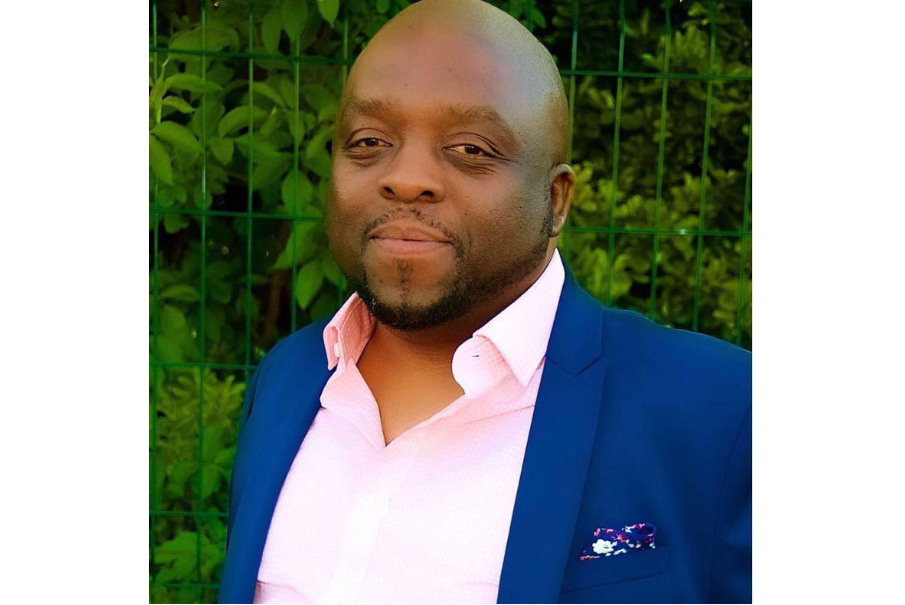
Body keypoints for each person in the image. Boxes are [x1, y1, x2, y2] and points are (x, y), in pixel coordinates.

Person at [219, 0, 752, 603]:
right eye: (370, 140)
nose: (407, 176)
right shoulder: (288, 381)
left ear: (555, 200)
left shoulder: (721, 412)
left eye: (471, 149)